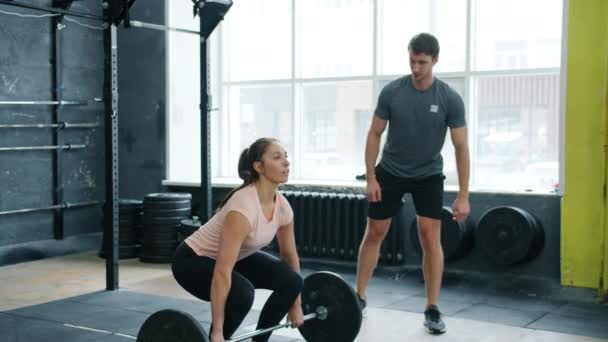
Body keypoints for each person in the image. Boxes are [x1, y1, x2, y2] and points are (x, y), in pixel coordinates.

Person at [355, 32, 471, 334]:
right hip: (390, 171)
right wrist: (371, 177)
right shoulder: (393, 92)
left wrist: (463, 195)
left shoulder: (449, 98)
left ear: (435, 61)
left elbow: (461, 147)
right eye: (412, 61)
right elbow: (374, 133)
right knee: (376, 231)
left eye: (422, 62)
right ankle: (359, 298)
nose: (416, 68)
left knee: (429, 236)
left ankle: (432, 308)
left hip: (428, 174)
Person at [172, 137, 304, 342]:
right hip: (192, 260)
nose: (286, 162)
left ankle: (260, 340)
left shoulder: (282, 207)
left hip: (233, 259)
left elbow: (290, 256)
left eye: (286, 157)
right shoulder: (242, 209)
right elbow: (222, 272)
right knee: (242, 294)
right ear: (259, 166)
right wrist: (217, 331)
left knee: (292, 280)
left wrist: (296, 306)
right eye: (277, 157)